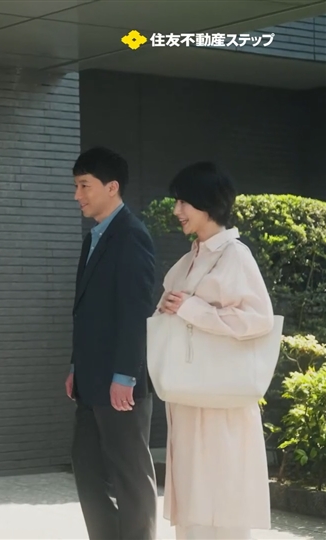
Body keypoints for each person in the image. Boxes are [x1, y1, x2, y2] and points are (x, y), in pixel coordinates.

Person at [154, 162, 274, 540]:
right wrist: (169, 308)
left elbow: (259, 319)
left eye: (184, 202)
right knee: (195, 498)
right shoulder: (192, 256)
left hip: (221, 399)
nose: (177, 210)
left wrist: (192, 310)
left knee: (221, 496)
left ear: (208, 204)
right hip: (191, 395)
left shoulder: (234, 255)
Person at [67, 147, 158, 540]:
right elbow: (86, 312)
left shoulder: (132, 235)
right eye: (76, 186)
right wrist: (76, 365)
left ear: (112, 187)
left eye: (84, 186)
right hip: (90, 380)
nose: (77, 195)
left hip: (121, 384)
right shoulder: (93, 238)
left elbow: (136, 311)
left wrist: (125, 375)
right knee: (87, 470)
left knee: (129, 475)